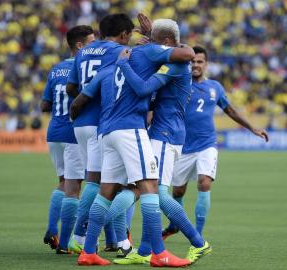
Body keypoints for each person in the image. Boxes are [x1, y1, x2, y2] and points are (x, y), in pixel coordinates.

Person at [76, 16, 194, 268]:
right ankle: (159, 253)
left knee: (106, 190)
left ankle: (87, 251)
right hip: (131, 129)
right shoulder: (148, 53)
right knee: (150, 185)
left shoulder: (110, 67)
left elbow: (80, 99)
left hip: (106, 132)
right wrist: (154, 40)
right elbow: (185, 53)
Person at [114, 19, 211, 265]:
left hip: (166, 134)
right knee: (149, 191)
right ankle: (146, 251)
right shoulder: (173, 59)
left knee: (158, 193)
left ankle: (199, 243)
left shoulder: (176, 66)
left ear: (167, 43)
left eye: (157, 42)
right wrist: (151, 37)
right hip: (164, 132)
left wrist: (124, 64)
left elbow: (144, 88)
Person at [162, 46, 268, 239]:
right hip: (182, 146)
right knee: (178, 189)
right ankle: (174, 225)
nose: (195, 65)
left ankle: (198, 237)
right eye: (192, 61)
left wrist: (252, 128)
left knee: (204, 183)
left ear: (206, 64)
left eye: (199, 61)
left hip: (207, 144)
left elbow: (231, 110)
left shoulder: (215, 87)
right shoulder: (178, 84)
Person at [66, 14, 136, 256]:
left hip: (81, 121)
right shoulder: (116, 50)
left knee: (106, 181)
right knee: (100, 183)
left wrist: (84, 97)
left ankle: (118, 240)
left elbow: (70, 87)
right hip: (101, 121)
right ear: (124, 34)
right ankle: (79, 236)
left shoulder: (83, 51)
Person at [40, 25, 95, 252]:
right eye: (91, 42)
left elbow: (44, 105)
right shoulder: (84, 69)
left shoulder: (55, 70)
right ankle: (63, 243)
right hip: (73, 133)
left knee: (62, 182)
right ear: (80, 46)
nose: (96, 46)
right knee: (73, 187)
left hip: (54, 132)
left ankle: (52, 229)